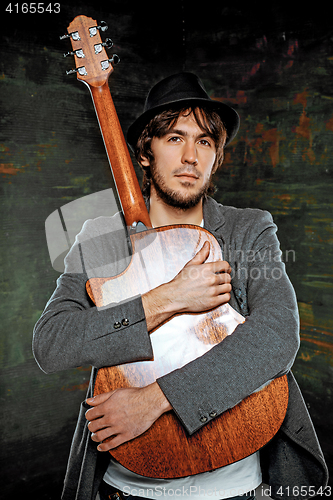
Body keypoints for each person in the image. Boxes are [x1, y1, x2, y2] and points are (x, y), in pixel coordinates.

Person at [33, 73, 328, 500]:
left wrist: (152, 400)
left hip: (238, 485)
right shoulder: (101, 237)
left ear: (216, 157)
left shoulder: (249, 230)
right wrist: (165, 299)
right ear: (146, 153)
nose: (190, 156)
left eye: (205, 142)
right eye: (174, 138)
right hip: (127, 486)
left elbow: (278, 336)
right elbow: (52, 344)